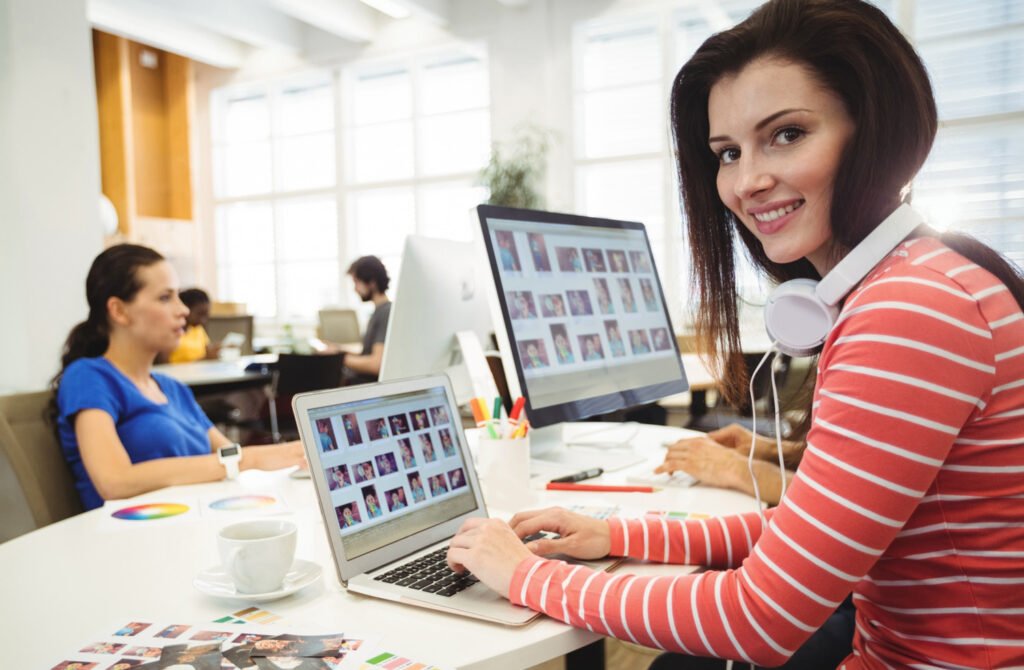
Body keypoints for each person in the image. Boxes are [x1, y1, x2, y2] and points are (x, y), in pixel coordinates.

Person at [443, 2, 1024, 668]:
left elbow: (758, 621)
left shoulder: (909, 311)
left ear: (874, 131)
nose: (748, 182)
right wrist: (614, 533)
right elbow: (808, 532)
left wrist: (524, 575)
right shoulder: (929, 277)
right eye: (727, 152)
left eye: (787, 134)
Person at [52, 245, 306, 511]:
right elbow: (115, 481)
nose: (183, 310)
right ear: (118, 311)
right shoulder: (88, 377)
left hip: (194, 521)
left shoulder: (173, 389)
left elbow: (229, 454)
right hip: (133, 537)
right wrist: (252, 458)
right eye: (165, 298)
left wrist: (277, 458)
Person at [342, 255, 391, 385]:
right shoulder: (378, 311)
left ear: (371, 282)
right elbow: (368, 352)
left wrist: (339, 358)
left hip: (364, 384)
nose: (355, 289)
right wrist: (340, 350)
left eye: (356, 282)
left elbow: (376, 364)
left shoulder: (385, 313)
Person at [166, 288, 220, 363]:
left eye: (206, 315)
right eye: (200, 314)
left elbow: (207, 350)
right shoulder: (169, 332)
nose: (203, 320)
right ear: (185, 308)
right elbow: (164, 366)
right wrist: (204, 359)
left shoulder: (198, 330)